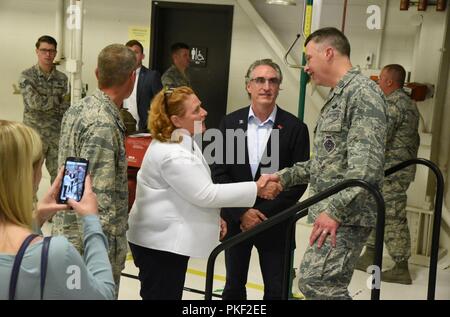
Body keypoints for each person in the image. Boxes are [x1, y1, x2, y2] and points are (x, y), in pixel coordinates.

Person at [126, 86, 281, 300]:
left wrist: (213, 216)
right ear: (176, 120)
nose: (204, 112)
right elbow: (205, 193)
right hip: (158, 246)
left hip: (165, 242)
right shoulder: (172, 153)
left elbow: (188, 189)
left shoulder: (182, 139)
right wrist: (256, 188)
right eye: (196, 110)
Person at [266, 27, 387, 299]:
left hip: (348, 214)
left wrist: (334, 211)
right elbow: (325, 162)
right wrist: (283, 177)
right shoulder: (340, 96)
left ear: (328, 52)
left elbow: (365, 168)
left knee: (317, 283)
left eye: (309, 58)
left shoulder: (362, 95)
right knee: (315, 282)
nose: (306, 67)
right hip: (339, 211)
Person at [210, 59, 310, 300]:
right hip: (237, 221)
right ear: (248, 86)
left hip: (276, 223)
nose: (266, 86)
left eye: (273, 81)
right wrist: (243, 212)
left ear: (278, 87)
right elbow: (219, 172)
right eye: (260, 80)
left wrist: (261, 215)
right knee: (233, 287)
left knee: (277, 290)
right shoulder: (230, 123)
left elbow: (298, 180)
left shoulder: (295, 128)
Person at [52, 44, 136, 297]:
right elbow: (98, 198)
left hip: (69, 234)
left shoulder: (79, 108)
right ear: (132, 77)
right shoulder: (103, 122)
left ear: (98, 73)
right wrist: (102, 251)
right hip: (90, 245)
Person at [0, 120, 115, 300]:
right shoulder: (55, 254)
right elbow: (104, 295)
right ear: (29, 175)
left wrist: (36, 218)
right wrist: (92, 222)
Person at [355, 64, 420, 285]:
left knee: (392, 215)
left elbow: (379, 135)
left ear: (389, 82)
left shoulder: (394, 104)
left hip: (393, 171)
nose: (378, 82)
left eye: (380, 78)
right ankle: (370, 254)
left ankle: (401, 266)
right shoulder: (408, 103)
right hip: (391, 170)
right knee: (375, 209)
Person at [19, 35, 69, 183]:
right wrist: (58, 101)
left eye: (51, 51)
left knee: (60, 175)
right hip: (35, 134)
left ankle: (58, 206)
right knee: (30, 177)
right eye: (44, 50)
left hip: (57, 135)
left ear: (55, 53)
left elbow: (68, 106)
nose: (48, 54)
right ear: (37, 51)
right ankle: (28, 206)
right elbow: (34, 103)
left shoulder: (63, 78)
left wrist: (50, 102)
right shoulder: (27, 76)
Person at [124, 39, 163, 132]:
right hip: (123, 128)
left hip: (144, 131)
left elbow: (161, 104)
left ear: (142, 56)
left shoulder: (152, 76)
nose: (132, 56)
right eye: (129, 53)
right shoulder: (120, 76)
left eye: (136, 52)